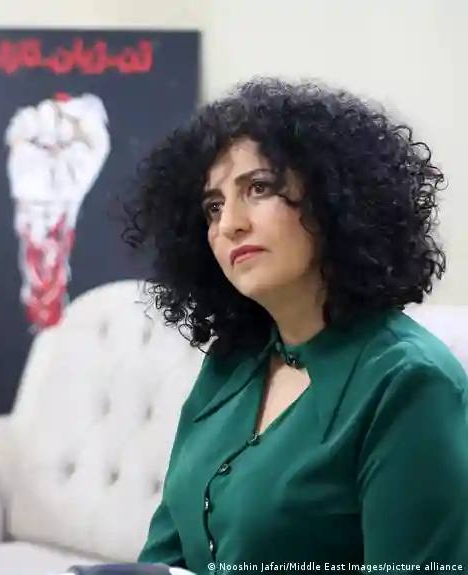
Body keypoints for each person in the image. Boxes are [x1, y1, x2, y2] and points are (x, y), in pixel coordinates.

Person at [120, 77, 468, 574]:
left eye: (258, 188)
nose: (229, 224)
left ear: (332, 198)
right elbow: (164, 556)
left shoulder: (410, 383)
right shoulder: (231, 362)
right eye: (213, 206)